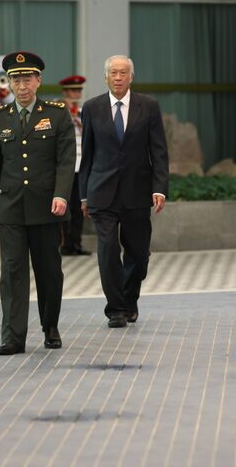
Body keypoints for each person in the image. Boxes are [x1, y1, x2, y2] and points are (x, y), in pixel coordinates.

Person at [0, 51, 75, 355]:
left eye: (27, 79)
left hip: (47, 207)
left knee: (49, 271)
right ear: (8, 82)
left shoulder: (58, 114)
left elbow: (65, 161)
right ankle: (13, 337)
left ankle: (50, 327)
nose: (21, 86)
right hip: (10, 208)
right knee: (12, 273)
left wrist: (61, 194)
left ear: (38, 80)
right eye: (15, 79)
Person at [78, 55, 169, 328]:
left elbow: (159, 151)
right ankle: (116, 309)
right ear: (106, 77)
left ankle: (130, 300)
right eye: (113, 73)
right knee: (107, 250)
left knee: (138, 255)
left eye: (123, 73)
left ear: (131, 77)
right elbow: (88, 154)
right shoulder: (92, 107)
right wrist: (84, 194)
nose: (118, 77)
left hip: (137, 192)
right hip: (101, 191)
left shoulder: (149, 106)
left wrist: (160, 188)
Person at [58, 74, 91, 256]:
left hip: (81, 166)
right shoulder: (60, 109)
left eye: (78, 90)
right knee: (65, 208)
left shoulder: (83, 111)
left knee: (80, 208)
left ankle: (76, 242)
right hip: (66, 167)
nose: (76, 93)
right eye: (72, 90)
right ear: (65, 91)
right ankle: (64, 243)